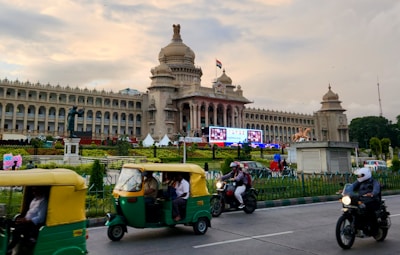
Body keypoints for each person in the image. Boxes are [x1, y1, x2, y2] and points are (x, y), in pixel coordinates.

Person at [8, 186, 48, 253]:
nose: (34, 192)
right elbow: (30, 213)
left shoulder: (43, 201)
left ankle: (10, 248)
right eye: (33, 190)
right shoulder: (34, 199)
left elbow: (41, 218)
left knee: (18, 230)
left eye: (35, 190)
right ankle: (8, 244)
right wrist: (23, 219)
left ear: (40, 190)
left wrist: (26, 220)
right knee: (8, 222)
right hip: (26, 221)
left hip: (33, 224)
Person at [350, 167, 381, 235]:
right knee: (353, 208)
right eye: (358, 175)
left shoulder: (374, 182)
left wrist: (372, 193)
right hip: (362, 200)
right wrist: (345, 190)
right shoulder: (359, 182)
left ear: (366, 174)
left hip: (372, 200)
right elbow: (352, 186)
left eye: (361, 175)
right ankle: (356, 224)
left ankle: (374, 230)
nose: (359, 177)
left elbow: (376, 189)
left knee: (369, 212)